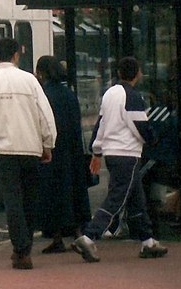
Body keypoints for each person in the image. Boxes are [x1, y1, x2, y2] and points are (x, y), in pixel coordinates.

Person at [0, 38, 57, 270]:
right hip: (31, 149)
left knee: (13, 200)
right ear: (16, 55)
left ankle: (21, 250)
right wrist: (48, 144)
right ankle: (25, 247)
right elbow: (45, 115)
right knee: (30, 199)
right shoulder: (30, 80)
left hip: (4, 151)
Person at [72, 56, 168, 263]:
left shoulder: (110, 94)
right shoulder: (133, 96)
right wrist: (153, 140)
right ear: (137, 74)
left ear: (119, 73)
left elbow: (101, 124)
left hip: (112, 153)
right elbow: (140, 127)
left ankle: (148, 241)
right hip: (128, 154)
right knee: (117, 199)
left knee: (136, 199)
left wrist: (96, 151)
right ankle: (89, 237)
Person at [34, 55, 91, 253]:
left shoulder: (44, 96)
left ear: (41, 73)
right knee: (72, 191)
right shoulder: (69, 94)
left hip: (52, 151)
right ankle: (77, 234)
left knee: (52, 195)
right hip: (72, 151)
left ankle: (57, 238)